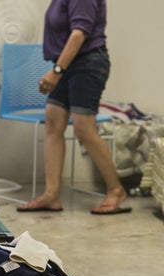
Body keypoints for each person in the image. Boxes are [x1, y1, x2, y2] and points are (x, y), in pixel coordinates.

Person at [17, 0, 131, 215]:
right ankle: (52, 195)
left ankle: (116, 190)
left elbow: (79, 33)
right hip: (69, 64)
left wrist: (57, 71)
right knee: (53, 121)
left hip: (86, 64)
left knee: (83, 129)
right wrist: (59, 68)